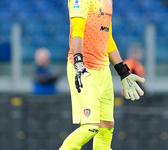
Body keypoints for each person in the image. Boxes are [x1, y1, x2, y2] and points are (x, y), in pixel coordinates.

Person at [59, 0, 145, 149]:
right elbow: (77, 29)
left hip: (103, 70)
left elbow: (108, 38)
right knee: (90, 127)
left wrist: (123, 72)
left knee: (106, 128)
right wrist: (79, 62)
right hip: (83, 69)